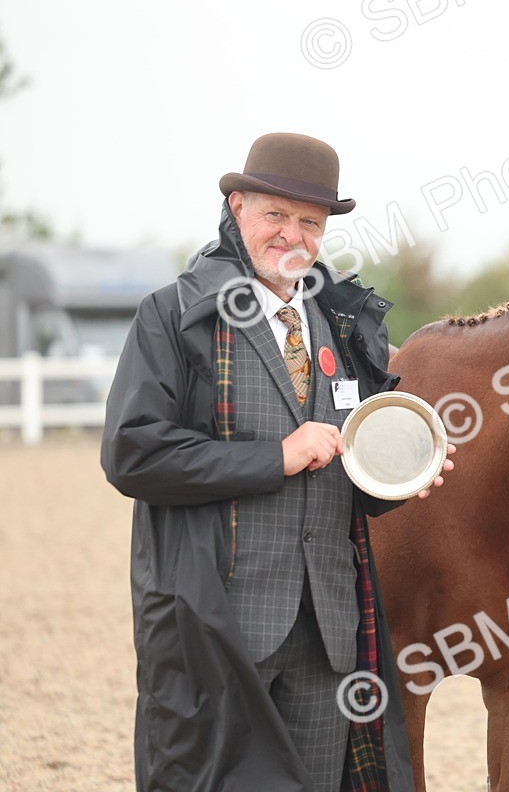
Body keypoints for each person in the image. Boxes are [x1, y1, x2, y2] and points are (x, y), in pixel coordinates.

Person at [101, 133, 453, 792]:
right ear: (237, 208)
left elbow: (360, 482)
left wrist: (404, 475)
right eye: (275, 215)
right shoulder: (173, 316)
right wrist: (276, 457)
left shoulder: (348, 325)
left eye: (310, 223)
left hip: (328, 633)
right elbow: (132, 452)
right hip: (218, 624)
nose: (292, 235)